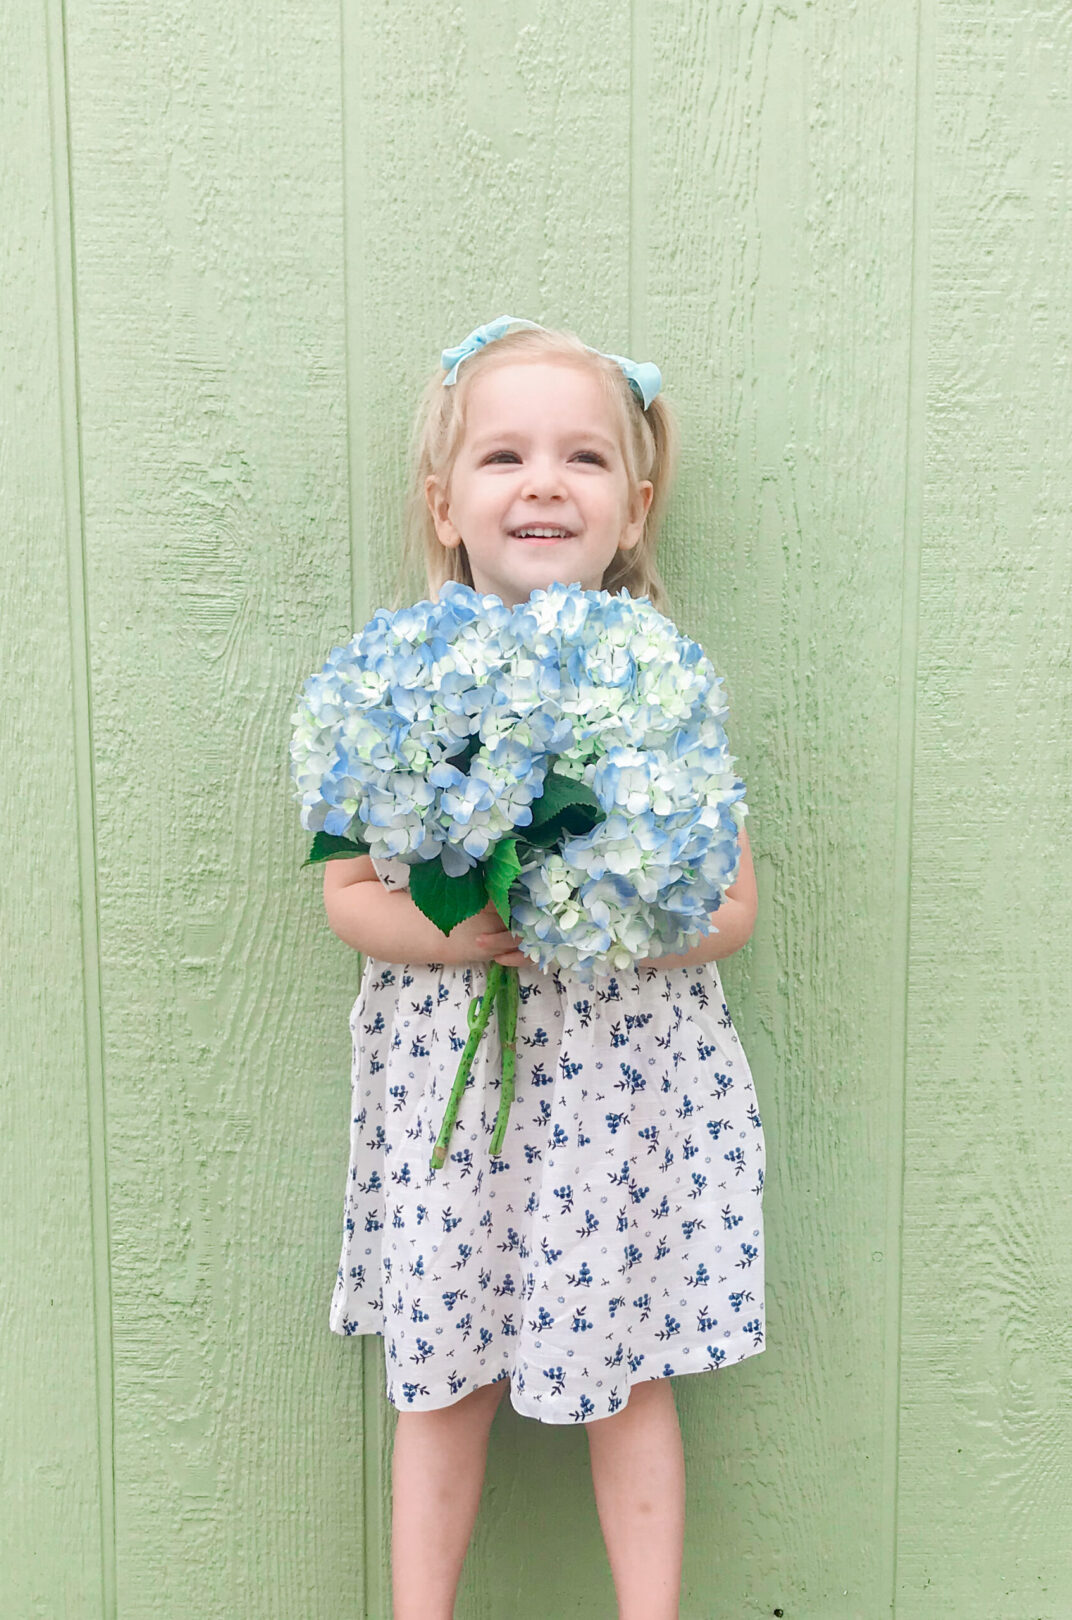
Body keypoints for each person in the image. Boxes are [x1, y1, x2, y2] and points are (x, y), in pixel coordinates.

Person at [321, 316, 764, 1620]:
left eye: (580, 458)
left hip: (622, 1089)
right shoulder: (389, 678)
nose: (541, 483)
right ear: (444, 501)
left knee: (628, 1372)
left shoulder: (666, 678)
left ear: (633, 508)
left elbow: (733, 904)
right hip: (457, 1099)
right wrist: (458, 931)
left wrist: (600, 910)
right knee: (441, 1370)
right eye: (504, 454)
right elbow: (351, 896)